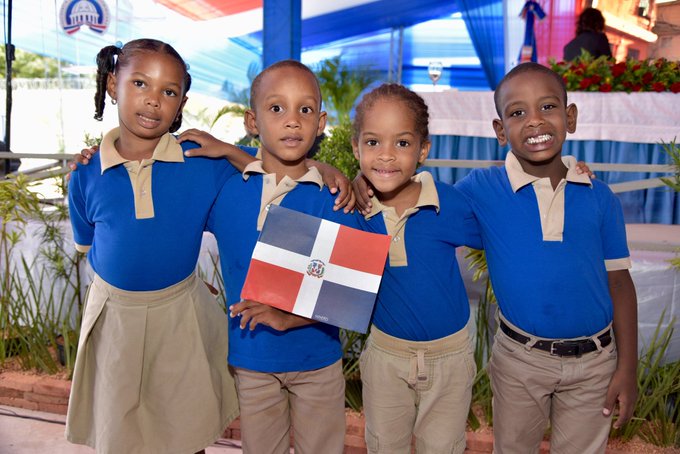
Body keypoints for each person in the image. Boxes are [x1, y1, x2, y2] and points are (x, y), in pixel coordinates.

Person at [65, 38, 252, 454]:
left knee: (185, 434)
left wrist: (228, 150)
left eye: (168, 91)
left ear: (181, 102)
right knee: (120, 435)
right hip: (115, 320)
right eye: (140, 84)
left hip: (180, 316)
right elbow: (89, 246)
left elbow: (274, 167)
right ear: (112, 85)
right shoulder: (85, 173)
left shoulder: (203, 162)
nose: (153, 100)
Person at [455, 62, 637, 453]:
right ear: (500, 130)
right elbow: (422, 206)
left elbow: (620, 282)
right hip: (520, 361)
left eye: (548, 107)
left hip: (595, 363)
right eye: (518, 112)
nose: (535, 120)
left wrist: (628, 368)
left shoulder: (600, 197)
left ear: (570, 118)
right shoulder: (481, 189)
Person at [184, 60, 360, 454]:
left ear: (321, 122)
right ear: (252, 121)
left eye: (305, 109)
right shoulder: (228, 189)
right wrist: (188, 286)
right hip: (252, 360)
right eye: (276, 108)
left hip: (318, 360)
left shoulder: (334, 197)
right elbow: (174, 227)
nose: (292, 121)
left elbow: (349, 289)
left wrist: (287, 317)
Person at [351, 83, 482, 453]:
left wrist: (569, 170)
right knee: (383, 445)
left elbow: (507, 224)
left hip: (450, 358)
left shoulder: (450, 204)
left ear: (423, 150)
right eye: (373, 142)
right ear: (356, 148)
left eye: (402, 143)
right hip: (385, 356)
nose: (386, 155)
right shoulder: (351, 208)